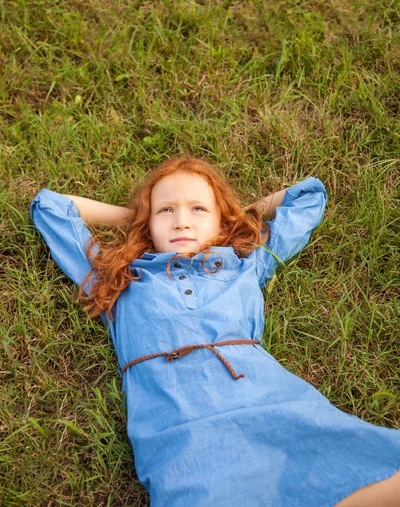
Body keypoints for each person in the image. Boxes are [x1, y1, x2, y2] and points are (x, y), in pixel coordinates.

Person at [30, 155, 400, 507]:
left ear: (221, 222)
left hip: (272, 401)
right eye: (166, 210)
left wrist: (236, 216)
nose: (181, 222)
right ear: (147, 224)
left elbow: (309, 195)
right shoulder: (118, 278)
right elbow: (50, 206)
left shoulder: (245, 263)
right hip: (181, 429)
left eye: (199, 208)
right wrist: (135, 217)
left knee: (366, 468)